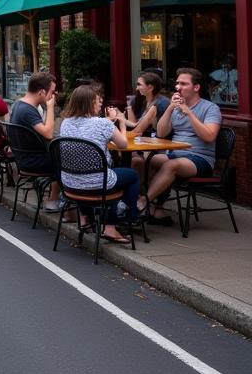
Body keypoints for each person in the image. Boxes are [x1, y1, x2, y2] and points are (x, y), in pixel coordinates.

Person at [58, 84, 145, 244]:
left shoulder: (66, 123)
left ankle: (88, 218)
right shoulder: (102, 124)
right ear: (90, 102)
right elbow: (123, 145)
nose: (101, 104)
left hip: (70, 183)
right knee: (130, 175)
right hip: (98, 184)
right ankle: (125, 218)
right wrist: (121, 124)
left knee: (103, 174)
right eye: (98, 101)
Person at [145, 68, 222, 224]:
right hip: (177, 154)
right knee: (150, 160)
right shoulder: (176, 107)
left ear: (196, 87)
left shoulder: (210, 108)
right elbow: (161, 132)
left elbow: (209, 136)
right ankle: (156, 207)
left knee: (170, 165)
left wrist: (189, 113)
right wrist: (170, 108)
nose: (178, 87)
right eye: (177, 83)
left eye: (183, 84)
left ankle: (142, 203)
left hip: (201, 159)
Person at [8, 70, 59, 211]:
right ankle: (54, 201)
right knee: (67, 159)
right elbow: (48, 133)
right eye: (52, 91)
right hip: (33, 161)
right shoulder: (27, 110)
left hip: (24, 158)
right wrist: (49, 108)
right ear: (42, 92)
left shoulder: (18, 104)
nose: (53, 95)